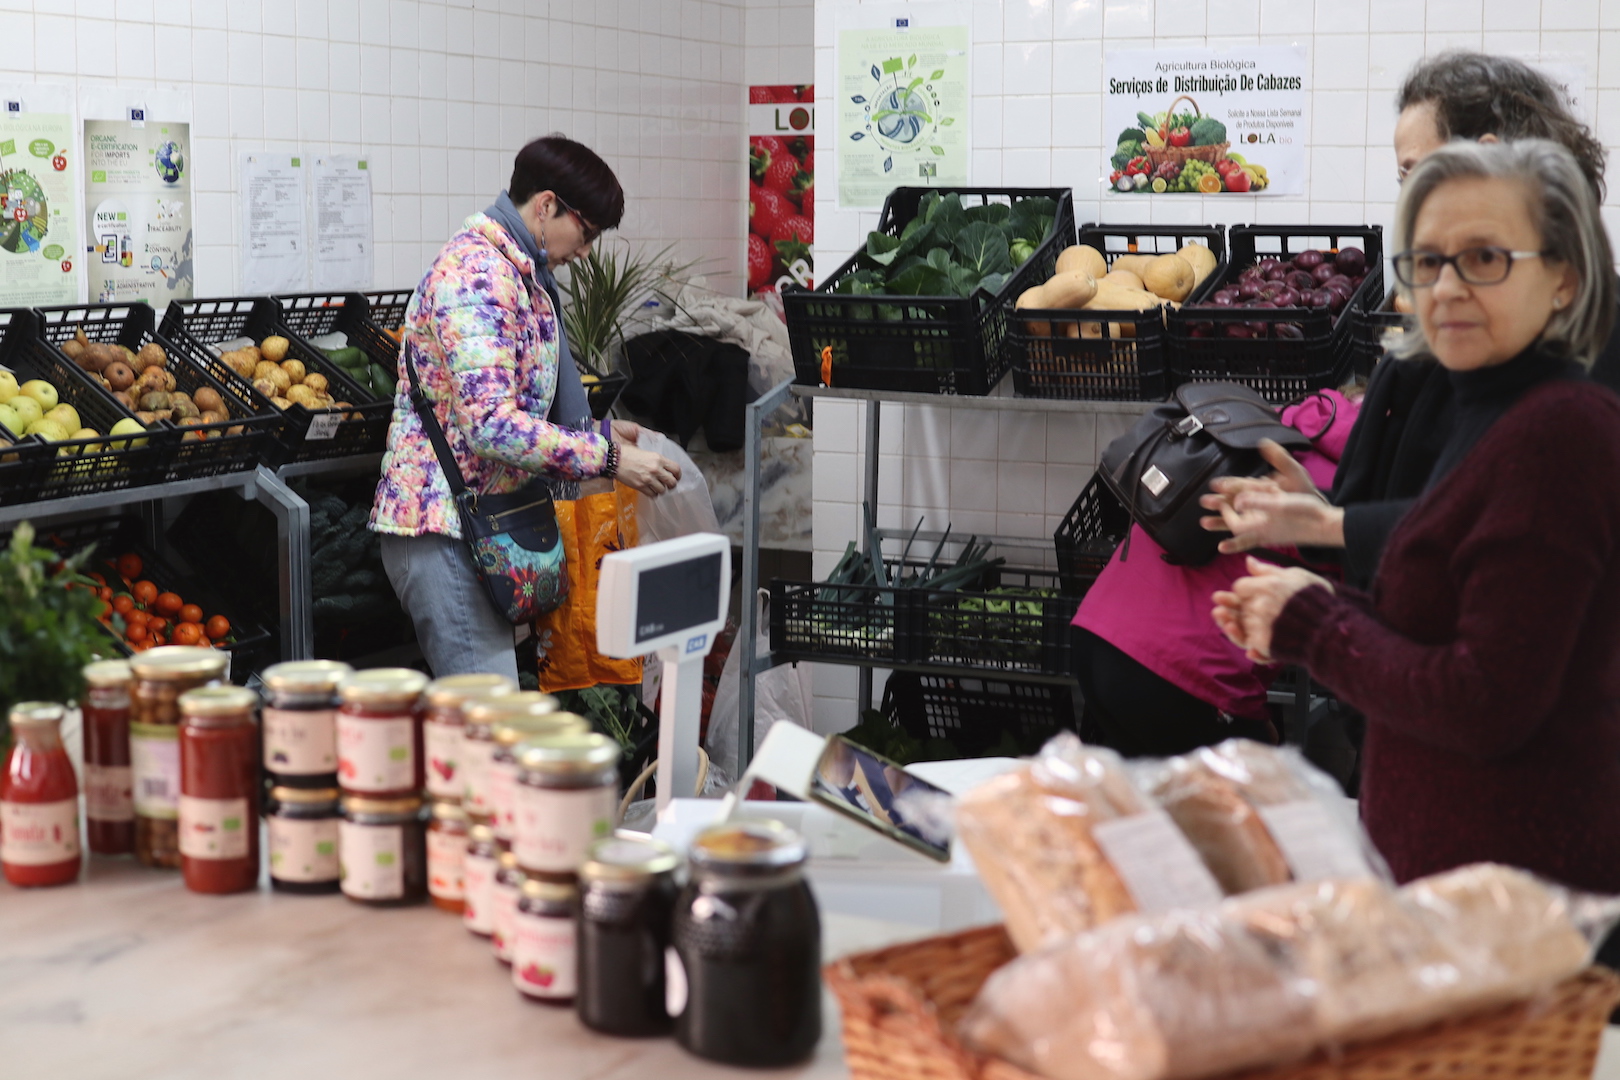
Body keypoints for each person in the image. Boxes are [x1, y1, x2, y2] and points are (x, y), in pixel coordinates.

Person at [1212, 139, 1620, 893]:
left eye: (1485, 258)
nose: (1448, 287)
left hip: (1525, 915)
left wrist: (1317, 626)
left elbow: (1486, 702)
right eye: (1427, 261)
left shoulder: (1560, 432)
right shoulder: (1488, 412)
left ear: (1565, 278)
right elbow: (1463, 625)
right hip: (1460, 900)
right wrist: (1336, 604)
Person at [1204, 51, 1617, 588]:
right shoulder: (1466, 343)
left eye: (1416, 172)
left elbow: (1482, 551)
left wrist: (1319, 618)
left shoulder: (1570, 377)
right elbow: (1432, 511)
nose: (1443, 287)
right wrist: (1321, 516)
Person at [370, 135, 680, 681]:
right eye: (585, 233)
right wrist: (606, 458)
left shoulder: (522, 274)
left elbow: (517, 405)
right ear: (545, 206)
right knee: (489, 732)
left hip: (485, 526)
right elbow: (490, 425)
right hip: (443, 531)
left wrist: (602, 431)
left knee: (484, 730)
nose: (585, 251)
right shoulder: (476, 275)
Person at [1071, 388, 1360, 759]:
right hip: (1179, 676)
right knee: (1237, 812)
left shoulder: (1268, 423)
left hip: (1095, 636)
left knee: (1156, 807)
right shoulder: (1361, 494)